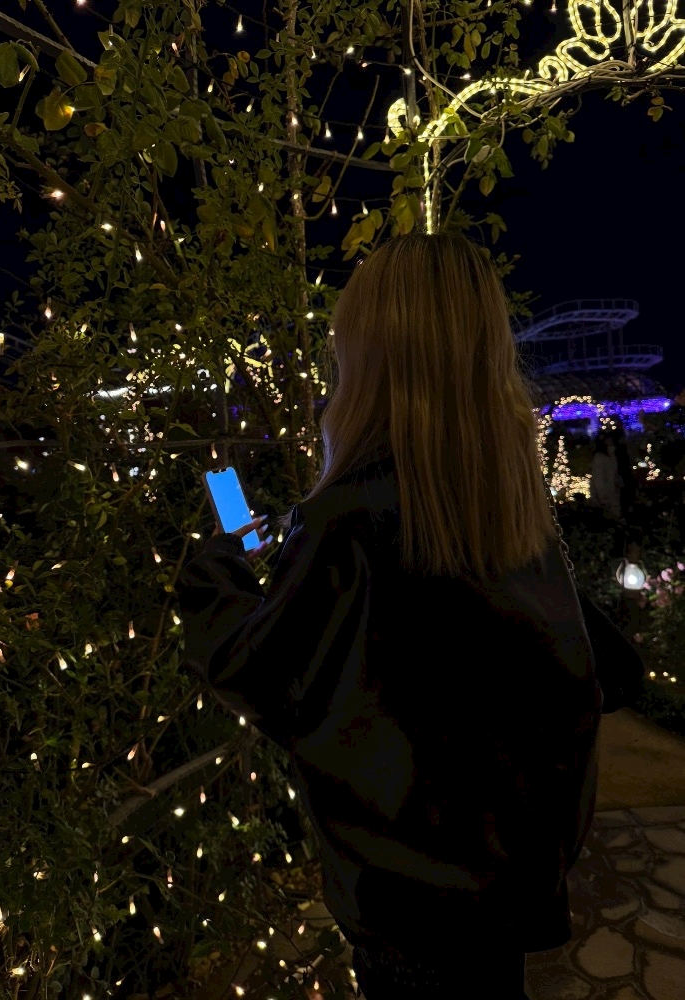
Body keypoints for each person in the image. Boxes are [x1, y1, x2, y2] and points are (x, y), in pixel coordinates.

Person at [176, 233, 639, 998]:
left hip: (409, 909)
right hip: (502, 891)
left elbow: (257, 670)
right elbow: (598, 665)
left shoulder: (348, 519)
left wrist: (214, 558)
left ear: (370, 361)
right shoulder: (502, 512)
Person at [590, 432, 622, 519]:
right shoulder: (600, 458)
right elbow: (599, 479)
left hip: (613, 494)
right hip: (607, 497)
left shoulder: (612, 455)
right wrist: (603, 496)